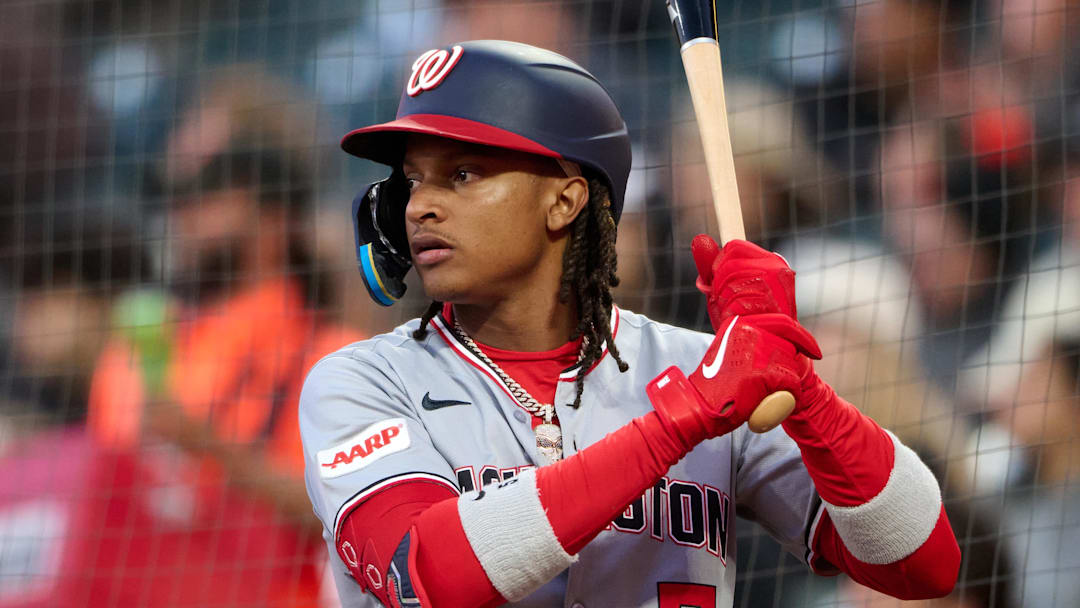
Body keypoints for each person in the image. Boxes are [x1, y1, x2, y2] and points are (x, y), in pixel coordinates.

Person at [299, 40, 961, 607]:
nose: (421, 207)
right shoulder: (361, 382)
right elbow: (423, 574)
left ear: (565, 199)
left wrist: (800, 384)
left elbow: (921, 564)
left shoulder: (707, 374)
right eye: (414, 180)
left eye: (463, 174)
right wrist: (685, 416)